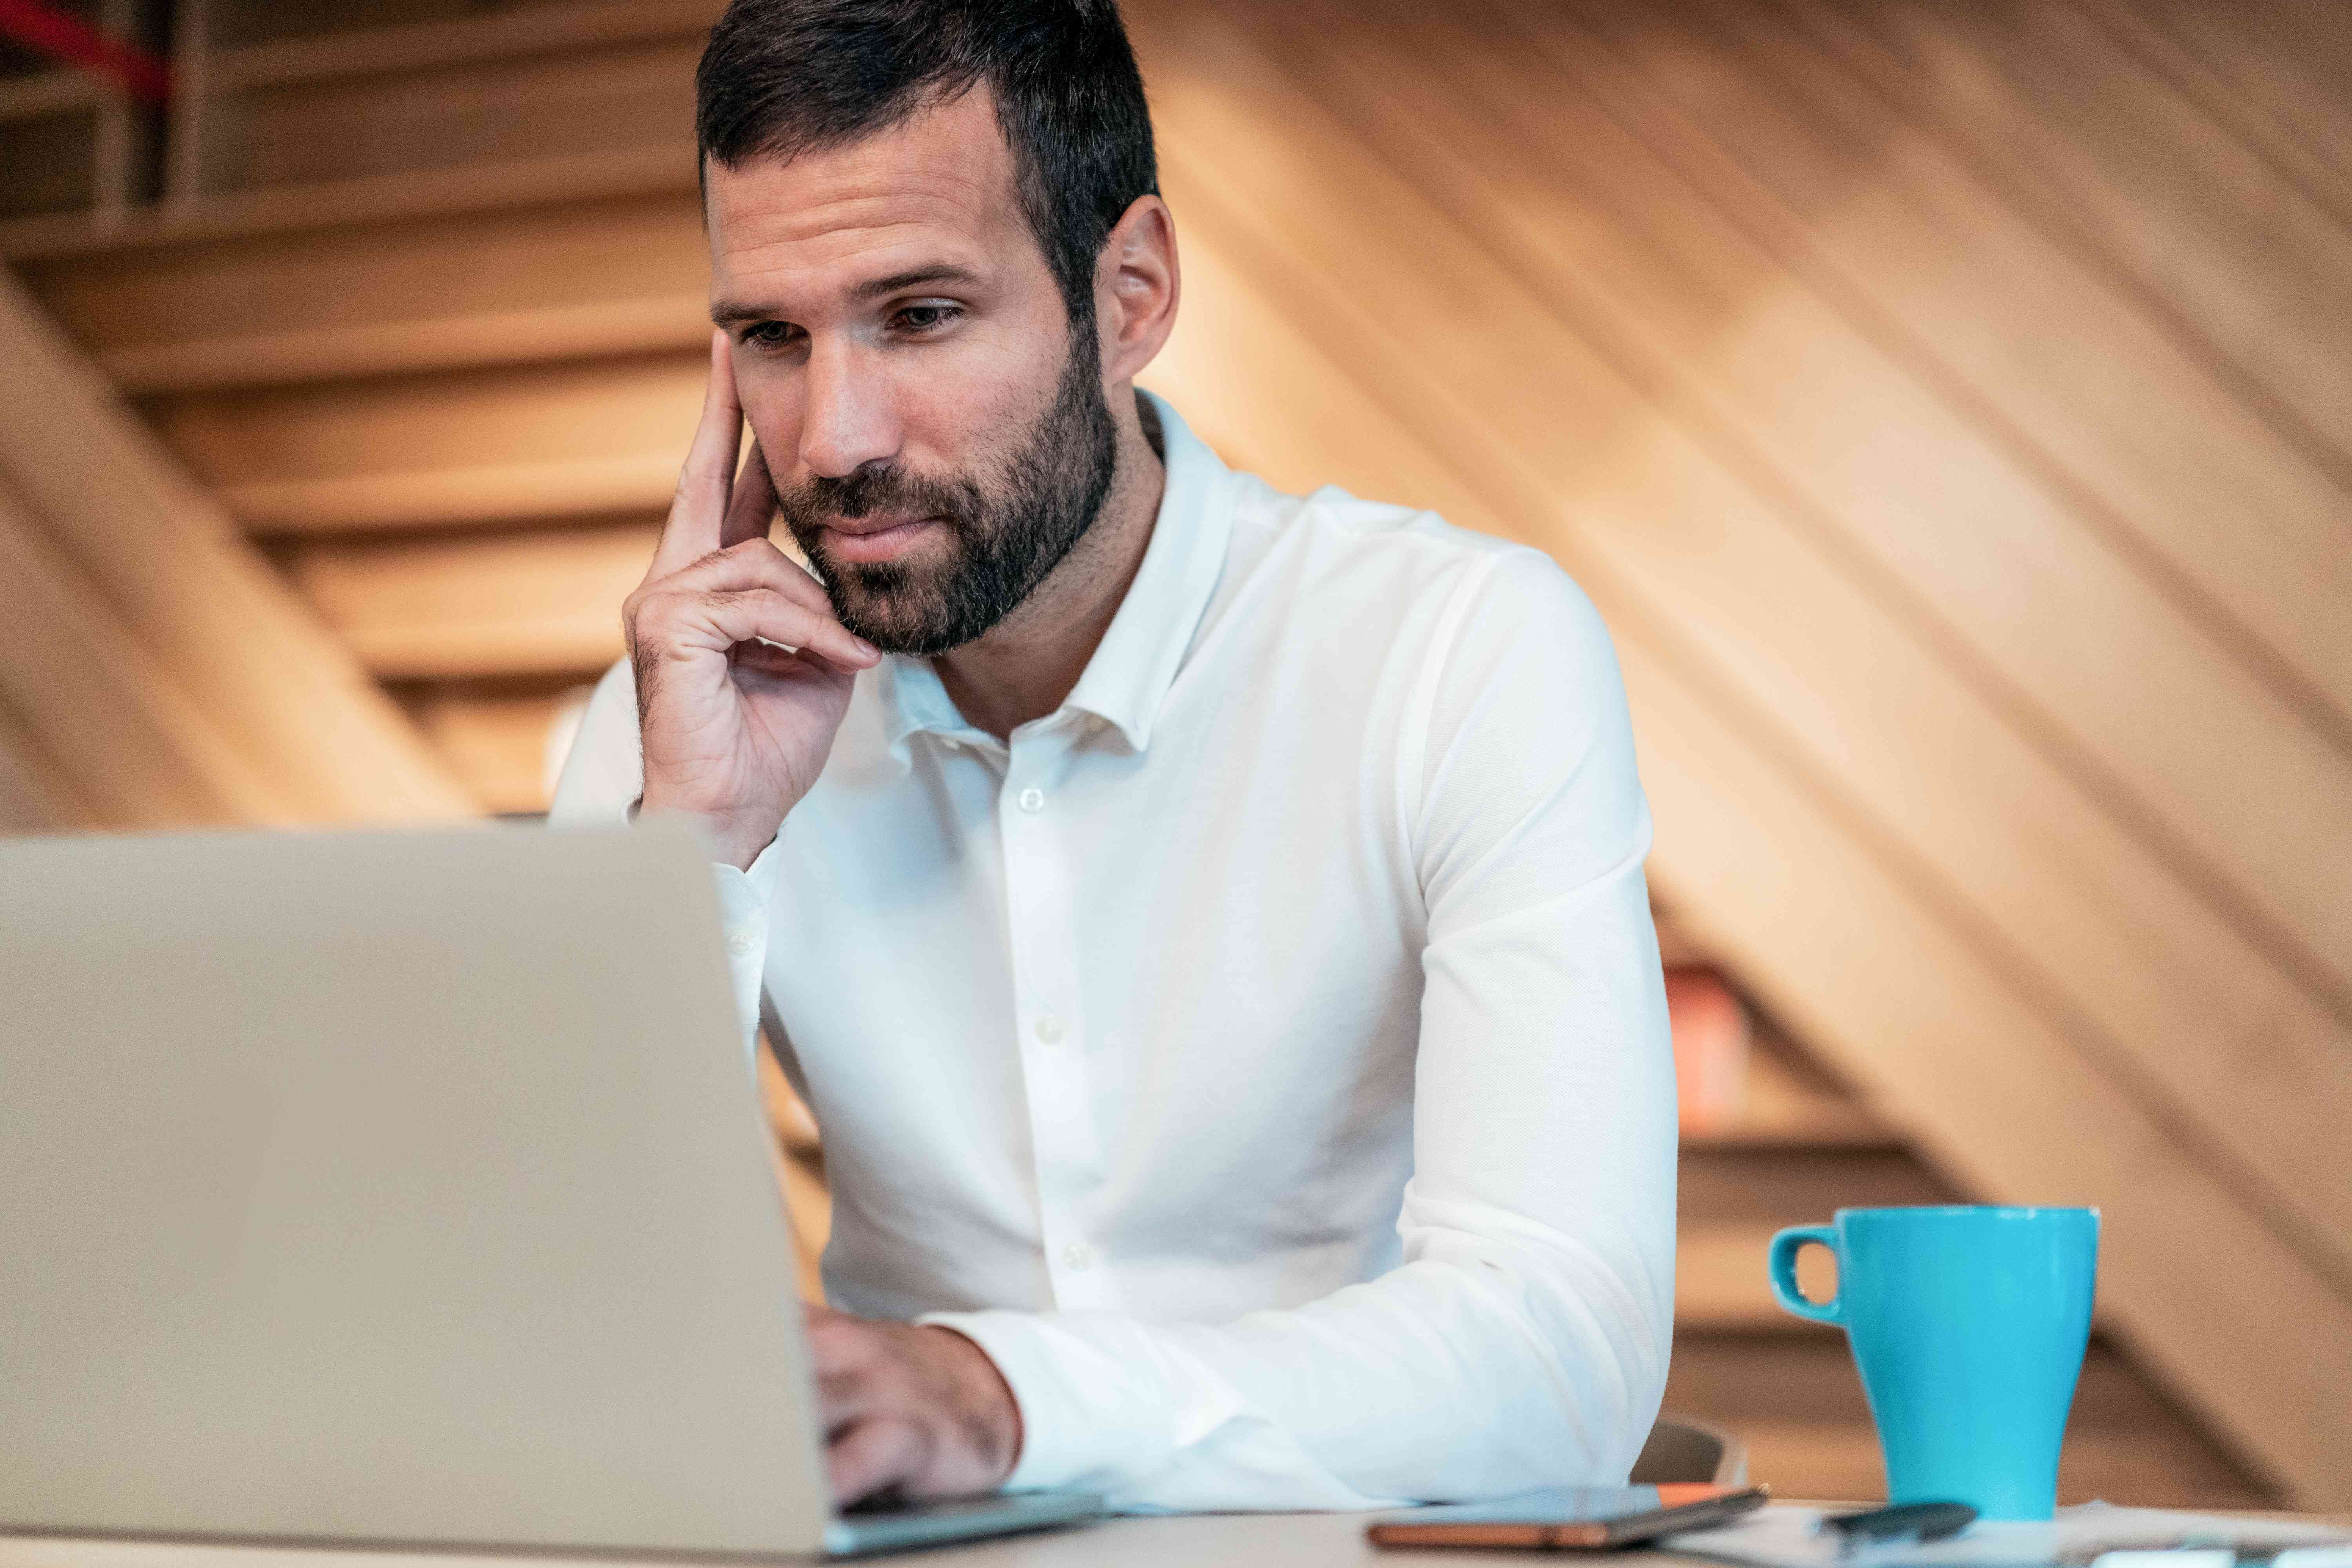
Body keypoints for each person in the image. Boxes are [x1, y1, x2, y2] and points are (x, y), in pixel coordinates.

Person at [550, 0, 1676, 1516]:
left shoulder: (1455, 652)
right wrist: (695, 857)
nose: (831, 440)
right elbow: (558, 1349)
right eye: (772, 337)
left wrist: (1004, 1402)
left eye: (922, 316)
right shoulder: (670, 728)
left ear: (1130, 292)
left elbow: (1564, 1360)